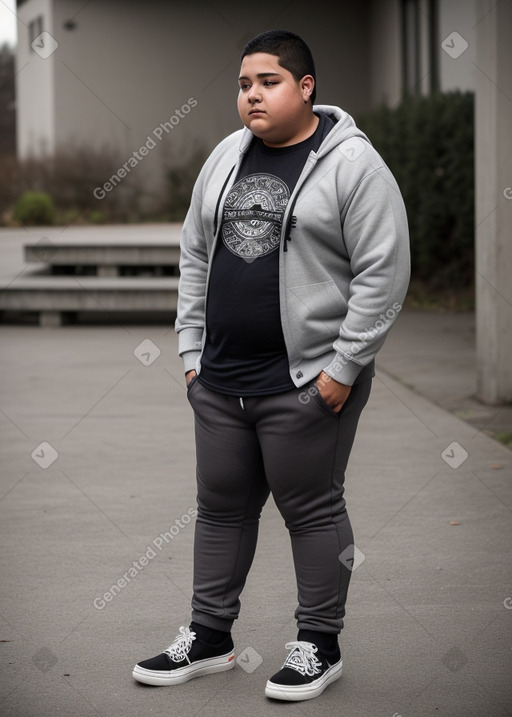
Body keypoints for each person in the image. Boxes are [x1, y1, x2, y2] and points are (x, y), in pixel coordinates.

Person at [133, 29, 410, 702]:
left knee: (311, 508)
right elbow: (195, 251)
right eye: (243, 84)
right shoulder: (228, 156)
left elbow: (385, 270)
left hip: (306, 380)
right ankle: (210, 636)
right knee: (221, 507)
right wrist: (192, 354)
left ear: (306, 88)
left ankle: (320, 644)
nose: (251, 94)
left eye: (268, 81)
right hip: (222, 378)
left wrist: (343, 369)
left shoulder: (351, 164)